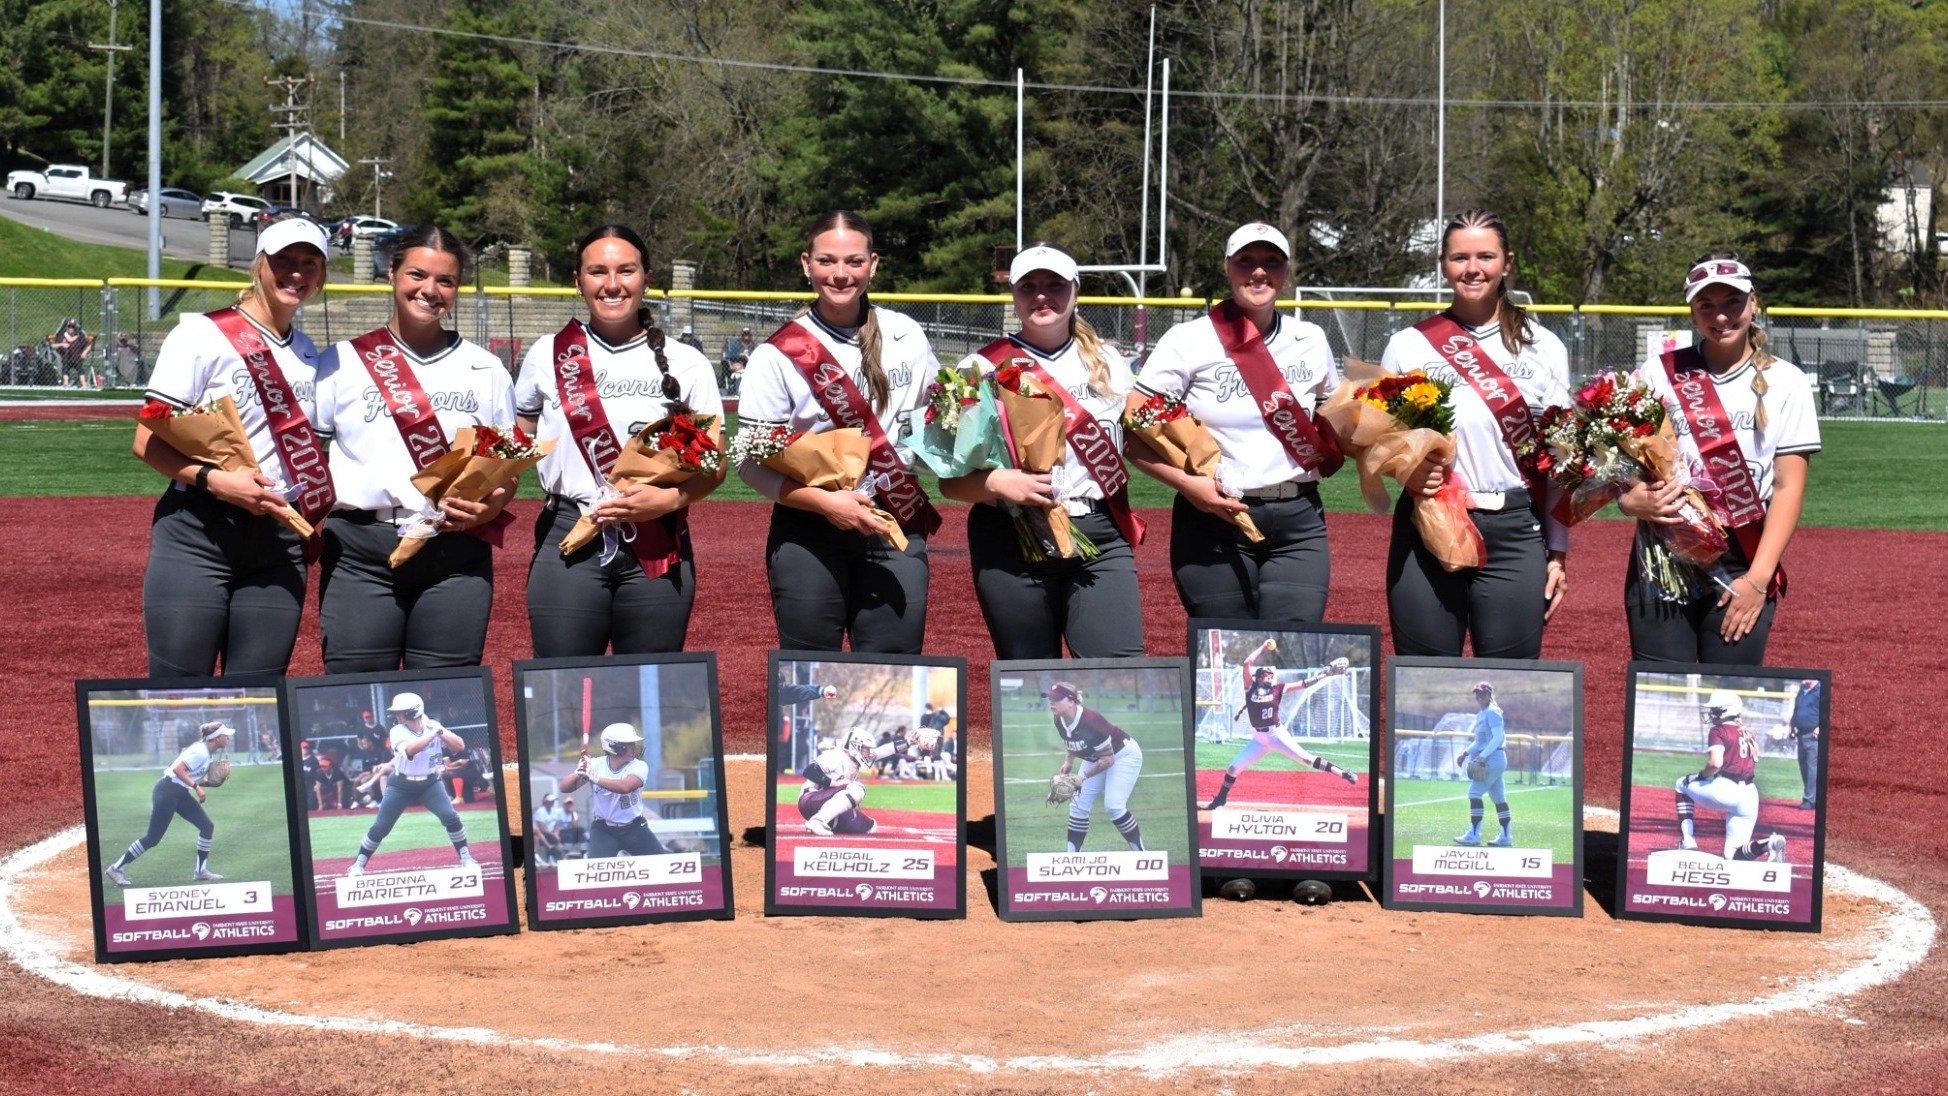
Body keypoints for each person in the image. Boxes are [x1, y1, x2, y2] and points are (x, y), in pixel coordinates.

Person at [135, 216, 334, 677]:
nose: (296, 273)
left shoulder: (309, 353)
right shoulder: (201, 334)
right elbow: (146, 442)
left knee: (258, 697)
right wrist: (217, 482)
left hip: (279, 541)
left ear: (322, 274)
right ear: (259, 264)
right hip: (199, 530)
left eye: (310, 263)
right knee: (179, 691)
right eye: (283, 260)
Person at [313, 225, 516, 672]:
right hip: (361, 553)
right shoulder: (341, 362)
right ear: (392, 272)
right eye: (417, 275)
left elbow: (506, 470)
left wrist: (491, 507)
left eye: (446, 281)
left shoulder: (486, 369)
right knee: (355, 694)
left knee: (447, 695)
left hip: (455, 553)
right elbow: (304, 457)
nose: (430, 290)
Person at [517, 225, 726, 657]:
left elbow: (715, 465)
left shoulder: (688, 362)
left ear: (647, 279)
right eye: (598, 271)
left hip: (658, 538)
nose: (612, 284)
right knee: (562, 686)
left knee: (651, 687)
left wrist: (668, 501)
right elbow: (516, 443)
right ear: (578, 281)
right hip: (569, 533)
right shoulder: (545, 353)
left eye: (626, 271)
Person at [737, 210, 941, 652]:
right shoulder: (776, 354)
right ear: (806, 263)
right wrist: (828, 503)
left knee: (895, 672)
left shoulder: (907, 334)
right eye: (827, 261)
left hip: (894, 517)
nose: (840, 273)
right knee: (809, 671)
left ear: (873, 264)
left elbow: (935, 420)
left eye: (854, 261)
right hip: (809, 525)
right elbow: (749, 464)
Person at [1379, 209, 1571, 658]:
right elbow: (1377, 440)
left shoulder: (1544, 347)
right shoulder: (1408, 344)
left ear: (1507, 263)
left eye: (1486, 256)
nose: (1473, 268)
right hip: (1428, 523)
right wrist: (1406, 469)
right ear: (1443, 265)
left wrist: (1559, 552)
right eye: (1459, 257)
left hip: (1515, 530)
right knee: (1422, 680)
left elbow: (1562, 461)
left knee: (1509, 682)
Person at [1127, 223, 1342, 621]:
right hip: (1213, 519)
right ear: (1227, 267)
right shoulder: (1188, 339)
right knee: (1225, 651)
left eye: (1271, 261)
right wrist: (1188, 485)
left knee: (1294, 647)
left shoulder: (1311, 338)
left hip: (1299, 522)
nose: (1259, 271)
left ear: (1287, 271)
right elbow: (1134, 431)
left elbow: (1338, 419)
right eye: (1246, 261)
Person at [941, 244, 1145, 658]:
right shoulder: (979, 368)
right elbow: (950, 483)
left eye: (1055, 284)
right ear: (1014, 295)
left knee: (1118, 672)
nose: (1041, 295)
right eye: (1028, 286)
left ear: (1075, 291)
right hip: (1012, 535)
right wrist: (997, 482)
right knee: (1028, 675)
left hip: (1100, 533)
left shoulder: (1110, 362)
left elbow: (1140, 440)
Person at [1617, 254, 1819, 664]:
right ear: (1692, 312)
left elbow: (1788, 488)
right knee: (1661, 693)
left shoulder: (1788, 381)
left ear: (1753, 303)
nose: (1721, 316)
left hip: (1743, 557)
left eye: (1732, 302)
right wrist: (1628, 499)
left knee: (1728, 691)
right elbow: (1623, 464)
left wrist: (1759, 579)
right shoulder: (1658, 372)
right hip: (1663, 551)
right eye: (1706, 305)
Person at [1202, 640, 1357, 810]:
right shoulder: (1250, 688)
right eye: (1267, 674)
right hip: (1258, 739)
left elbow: (1304, 684)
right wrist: (1263, 646)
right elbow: (1247, 663)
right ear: (1258, 677)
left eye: (1271, 675)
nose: (1270, 676)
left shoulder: (1277, 689)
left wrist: (1325, 675)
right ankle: (1221, 799)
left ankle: (1343, 773)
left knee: (1305, 758)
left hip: (1276, 734)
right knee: (1232, 769)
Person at [345, 692, 480, 877]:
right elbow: (410, 751)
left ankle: (466, 858)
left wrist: (441, 732)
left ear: (412, 712)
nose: (397, 715)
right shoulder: (397, 731)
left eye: (401, 712)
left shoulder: (433, 725)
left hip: (430, 783)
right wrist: (431, 735)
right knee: (381, 826)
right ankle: (358, 865)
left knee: (450, 817)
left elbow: (460, 746)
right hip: (401, 785)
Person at [103, 722, 234, 886]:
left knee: (207, 826)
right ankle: (116, 868)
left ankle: (201, 871)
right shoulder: (200, 752)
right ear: (216, 738)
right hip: (167, 791)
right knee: (153, 838)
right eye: (225, 735)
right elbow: (178, 769)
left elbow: (192, 776)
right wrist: (197, 788)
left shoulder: (207, 753)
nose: (228, 738)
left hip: (179, 793)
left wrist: (211, 783)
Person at [1675, 690, 1787, 861]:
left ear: (1724, 710)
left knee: (1681, 784)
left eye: (1714, 709)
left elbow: (1715, 764)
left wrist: (1700, 776)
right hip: (1749, 795)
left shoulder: (1719, 730)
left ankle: (1688, 840)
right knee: (1732, 855)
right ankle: (1769, 844)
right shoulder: (1747, 732)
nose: (1711, 713)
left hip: (1725, 789)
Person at [1046, 681, 1146, 853]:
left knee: (1114, 806)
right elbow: (1069, 739)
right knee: (1078, 806)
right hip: (1096, 757)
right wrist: (1069, 762)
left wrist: (1082, 777)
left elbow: (1108, 760)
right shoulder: (1059, 718)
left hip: (1123, 755)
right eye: (1050, 698)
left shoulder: (1092, 722)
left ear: (1071, 701)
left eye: (1056, 699)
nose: (1051, 702)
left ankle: (1141, 854)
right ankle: (1072, 859)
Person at [559, 723, 667, 858]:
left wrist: (594, 778)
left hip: (634, 828)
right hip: (604, 830)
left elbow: (625, 787)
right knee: (597, 867)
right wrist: (578, 772)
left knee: (660, 863)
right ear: (613, 747)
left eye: (633, 743)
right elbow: (564, 787)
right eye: (628, 744)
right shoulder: (595, 765)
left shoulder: (639, 766)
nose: (634, 747)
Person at [797, 727, 914, 835]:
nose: (868, 753)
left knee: (869, 827)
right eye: (865, 749)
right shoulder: (836, 756)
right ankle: (818, 821)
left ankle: (823, 821)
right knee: (858, 788)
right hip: (810, 799)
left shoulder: (854, 759)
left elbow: (885, 750)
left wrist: (910, 742)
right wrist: (834, 783)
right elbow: (809, 771)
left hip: (822, 803)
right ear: (854, 747)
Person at [1454, 681, 1513, 846]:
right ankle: (1506, 836)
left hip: (1492, 757)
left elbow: (1498, 738)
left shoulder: (1492, 712)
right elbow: (1480, 741)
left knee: (1474, 793)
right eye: (1477, 694)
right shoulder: (1482, 713)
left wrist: (1482, 757)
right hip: (1493, 758)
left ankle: (1474, 835)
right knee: (1499, 798)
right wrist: (1465, 752)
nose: (1479, 696)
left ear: (1489, 695)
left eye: (1482, 693)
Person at [1790, 678, 1821, 810]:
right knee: (1804, 767)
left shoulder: (1821, 690)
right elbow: (1796, 710)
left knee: (1812, 768)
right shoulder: (1802, 690)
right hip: (1800, 733)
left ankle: (1809, 800)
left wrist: (1820, 726)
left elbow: (1828, 711)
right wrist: (1791, 726)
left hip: (1813, 735)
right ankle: (1813, 798)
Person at [532, 792, 568, 867]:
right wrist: (554, 834)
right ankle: (550, 855)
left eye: (553, 801)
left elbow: (557, 824)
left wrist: (556, 833)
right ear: (546, 802)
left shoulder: (554, 811)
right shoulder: (541, 811)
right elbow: (542, 828)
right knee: (543, 838)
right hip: (543, 833)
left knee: (566, 836)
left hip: (552, 832)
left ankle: (561, 857)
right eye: (551, 801)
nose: (553, 802)